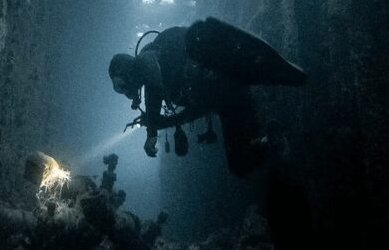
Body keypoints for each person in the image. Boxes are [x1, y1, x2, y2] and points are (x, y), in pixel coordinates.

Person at [109, 17, 307, 177]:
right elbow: (201, 107)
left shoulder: (148, 58)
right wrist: (165, 122)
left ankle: (282, 141)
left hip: (225, 90)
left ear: (127, 70)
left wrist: (153, 131)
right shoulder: (163, 74)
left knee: (241, 162)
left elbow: (153, 82)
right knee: (240, 165)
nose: (125, 91)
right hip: (227, 99)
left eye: (121, 85)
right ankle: (274, 140)